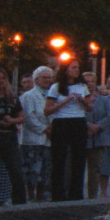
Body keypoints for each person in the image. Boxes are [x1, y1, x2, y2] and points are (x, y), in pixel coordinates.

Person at [45, 60, 94, 201]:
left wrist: (83, 101)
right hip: (61, 122)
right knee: (59, 159)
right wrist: (65, 101)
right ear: (66, 70)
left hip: (78, 121)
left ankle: (76, 193)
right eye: (73, 68)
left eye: (78, 68)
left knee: (78, 158)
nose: (76, 70)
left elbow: (89, 108)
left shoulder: (82, 86)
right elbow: (47, 110)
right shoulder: (56, 87)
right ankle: (58, 194)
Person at [0, 67, 27, 206]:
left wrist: (12, 121)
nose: (0, 82)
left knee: (16, 170)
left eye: (3, 79)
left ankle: (19, 201)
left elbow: (21, 117)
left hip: (10, 135)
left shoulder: (12, 98)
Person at [19, 67, 53, 202]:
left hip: (47, 140)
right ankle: (31, 196)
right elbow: (29, 117)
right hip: (32, 140)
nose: (47, 80)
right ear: (36, 79)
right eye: (44, 77)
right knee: (32, 171)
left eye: (49, 77)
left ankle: (41, 196)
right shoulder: (28, 96)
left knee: (45, 171)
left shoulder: (52, 95)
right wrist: (44, 128)